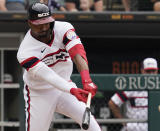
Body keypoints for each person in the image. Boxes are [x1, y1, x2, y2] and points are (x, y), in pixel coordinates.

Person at [16, 2, 101, 131]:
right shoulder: (25, 52)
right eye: (39, 24)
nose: (44, 28)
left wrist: (86, 80)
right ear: (30, 23)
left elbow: (77, 53)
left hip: (64, 88)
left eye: (47, 22)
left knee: (93, 127)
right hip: (39, 93)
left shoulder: (64, 28)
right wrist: (72, 90)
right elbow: (49, 76)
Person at [108, 57, 160, 131]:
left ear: (157, 71)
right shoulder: (133, 85)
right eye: (148, 71)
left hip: (155, 124)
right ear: (142, 71)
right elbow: (112, 103)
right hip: (135, 125)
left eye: (153, 71)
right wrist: (123, 122)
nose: (151, 74)